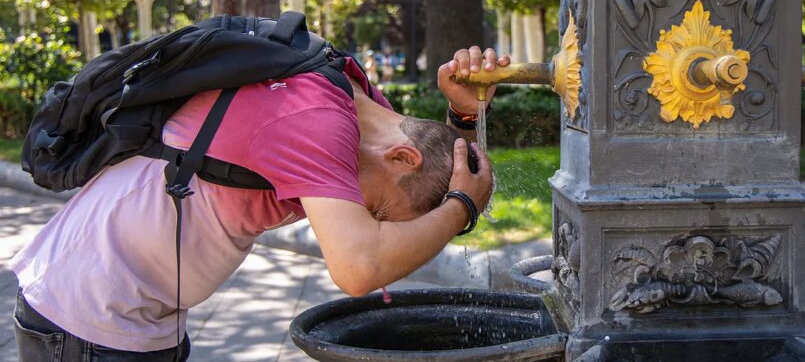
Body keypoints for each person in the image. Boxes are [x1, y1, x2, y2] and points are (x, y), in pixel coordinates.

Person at [10, 45, 510, 361]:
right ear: (401, 157)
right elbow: (359, 267)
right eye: (379, 213)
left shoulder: (354, 100)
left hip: (137, 315)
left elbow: (432, 161)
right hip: (89, 317)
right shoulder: (316, 120)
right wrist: (460, 208)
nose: (362, 218)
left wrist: (461, 120)